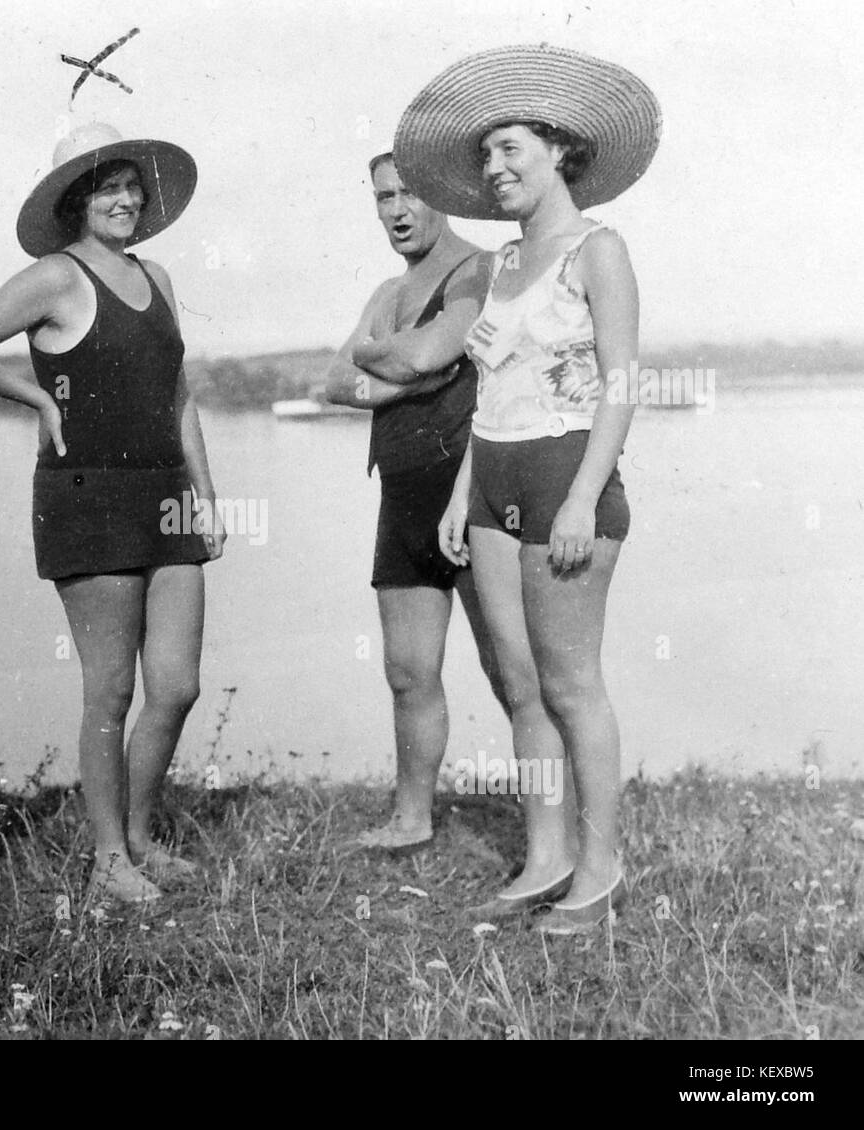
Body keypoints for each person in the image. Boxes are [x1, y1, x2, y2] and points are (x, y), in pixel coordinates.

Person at [364, 45, 661, 933]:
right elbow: (490, 389)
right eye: (485, 154)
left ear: (561, 151)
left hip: (568, 476)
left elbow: (621, 385)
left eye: (510, 151)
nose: (493, 169)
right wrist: (461, 496)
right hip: (489, 479)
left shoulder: (596, 250)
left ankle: (600, 871)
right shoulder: (496, 265)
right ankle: (546, 853)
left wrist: (580, 498)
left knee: (573, 685)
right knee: (523, 685)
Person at [0, 122, 222, 903]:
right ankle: (107, 860)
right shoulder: (54, 278)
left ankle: (137, 834)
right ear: (75, 202)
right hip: (85, 495)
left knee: (177, 685)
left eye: (131, 185)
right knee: (111, 690)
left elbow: (177, 392)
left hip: (165, 498)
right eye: (106, 187)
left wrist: (206, 491)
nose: (125, 199)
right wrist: (35, 398)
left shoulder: (156, 276)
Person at [325, 153, 508, 853]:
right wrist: (404, 377)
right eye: (382, 198)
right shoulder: (387, 289)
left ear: (442, 195)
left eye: (408, 194)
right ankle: (411, 819)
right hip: (402, 492)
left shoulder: (480, 271)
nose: (396, 211)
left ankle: (560, 827)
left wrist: (395, 361)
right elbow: (333, 381)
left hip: (468, 488)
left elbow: (428, 352)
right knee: (407, 668)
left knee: (509, 670)